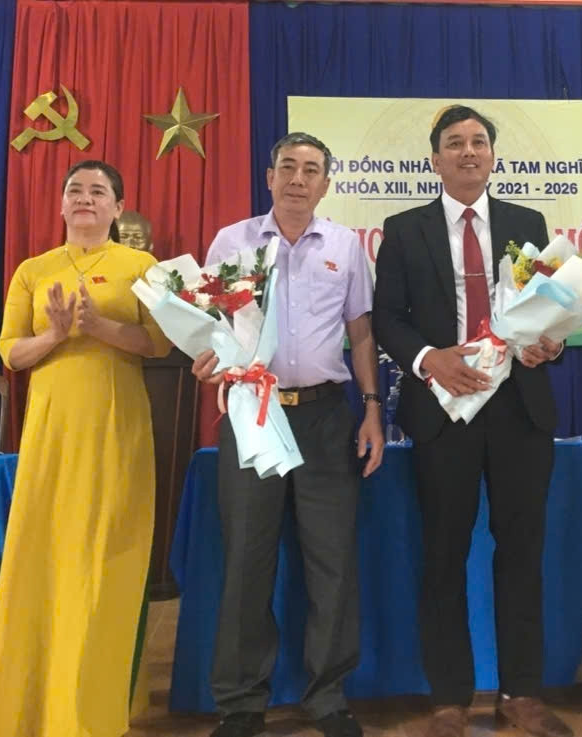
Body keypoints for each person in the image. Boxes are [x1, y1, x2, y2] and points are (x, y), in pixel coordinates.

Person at [373, 105, 573, 737]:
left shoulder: (527, 223)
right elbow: (388, 318)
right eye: (454, 143)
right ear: (434, 159)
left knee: (521, 553)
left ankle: (521, 694)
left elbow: (547, 312)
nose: (467, 152)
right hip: (444, 409)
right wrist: (431, 360)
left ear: (492, 156)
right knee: (443, 556)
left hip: (519, 408)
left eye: (478, 142)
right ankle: (449, 700)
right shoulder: (403, 230)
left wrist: (550, 344)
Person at [191, 132, 384, 737]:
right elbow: (209, 324)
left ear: (327, 183)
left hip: (328, 417)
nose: (299, 179)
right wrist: (206, 354)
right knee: (247, 559)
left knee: (331, 561)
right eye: (289, 168)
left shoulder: (346, 246)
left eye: (312, 170)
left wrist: (374, 408)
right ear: (269, 176)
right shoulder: (234, 241)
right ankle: (241, 704)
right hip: (254, 412)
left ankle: (327, 698)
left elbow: (361, 335)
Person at [0, 160, 171, 737]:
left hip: (116, 432)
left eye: (99, 191)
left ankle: (92, 713)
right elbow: (10, 353)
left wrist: (99, 329)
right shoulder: (33, 271)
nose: (85, 198)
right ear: (61, 205)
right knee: (42, 560)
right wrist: (56, 335)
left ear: (118, 209)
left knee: (106, 562)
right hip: (50, 435)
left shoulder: (142, 267)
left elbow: (160, 344)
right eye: (75, 190)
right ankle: (29, 709)